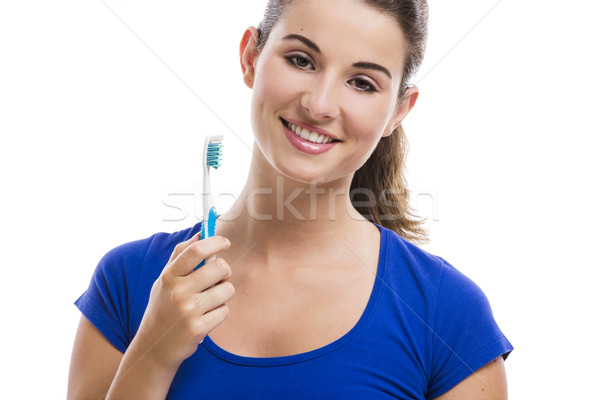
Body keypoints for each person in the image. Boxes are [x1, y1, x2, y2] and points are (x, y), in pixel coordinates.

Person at [68, 0, 513, 398]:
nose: (319, 104)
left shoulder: (448, 315)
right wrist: (154, 352)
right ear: (250, 57)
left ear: (399, 110)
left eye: (362, 83)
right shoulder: (129, 281)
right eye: (301, 60)